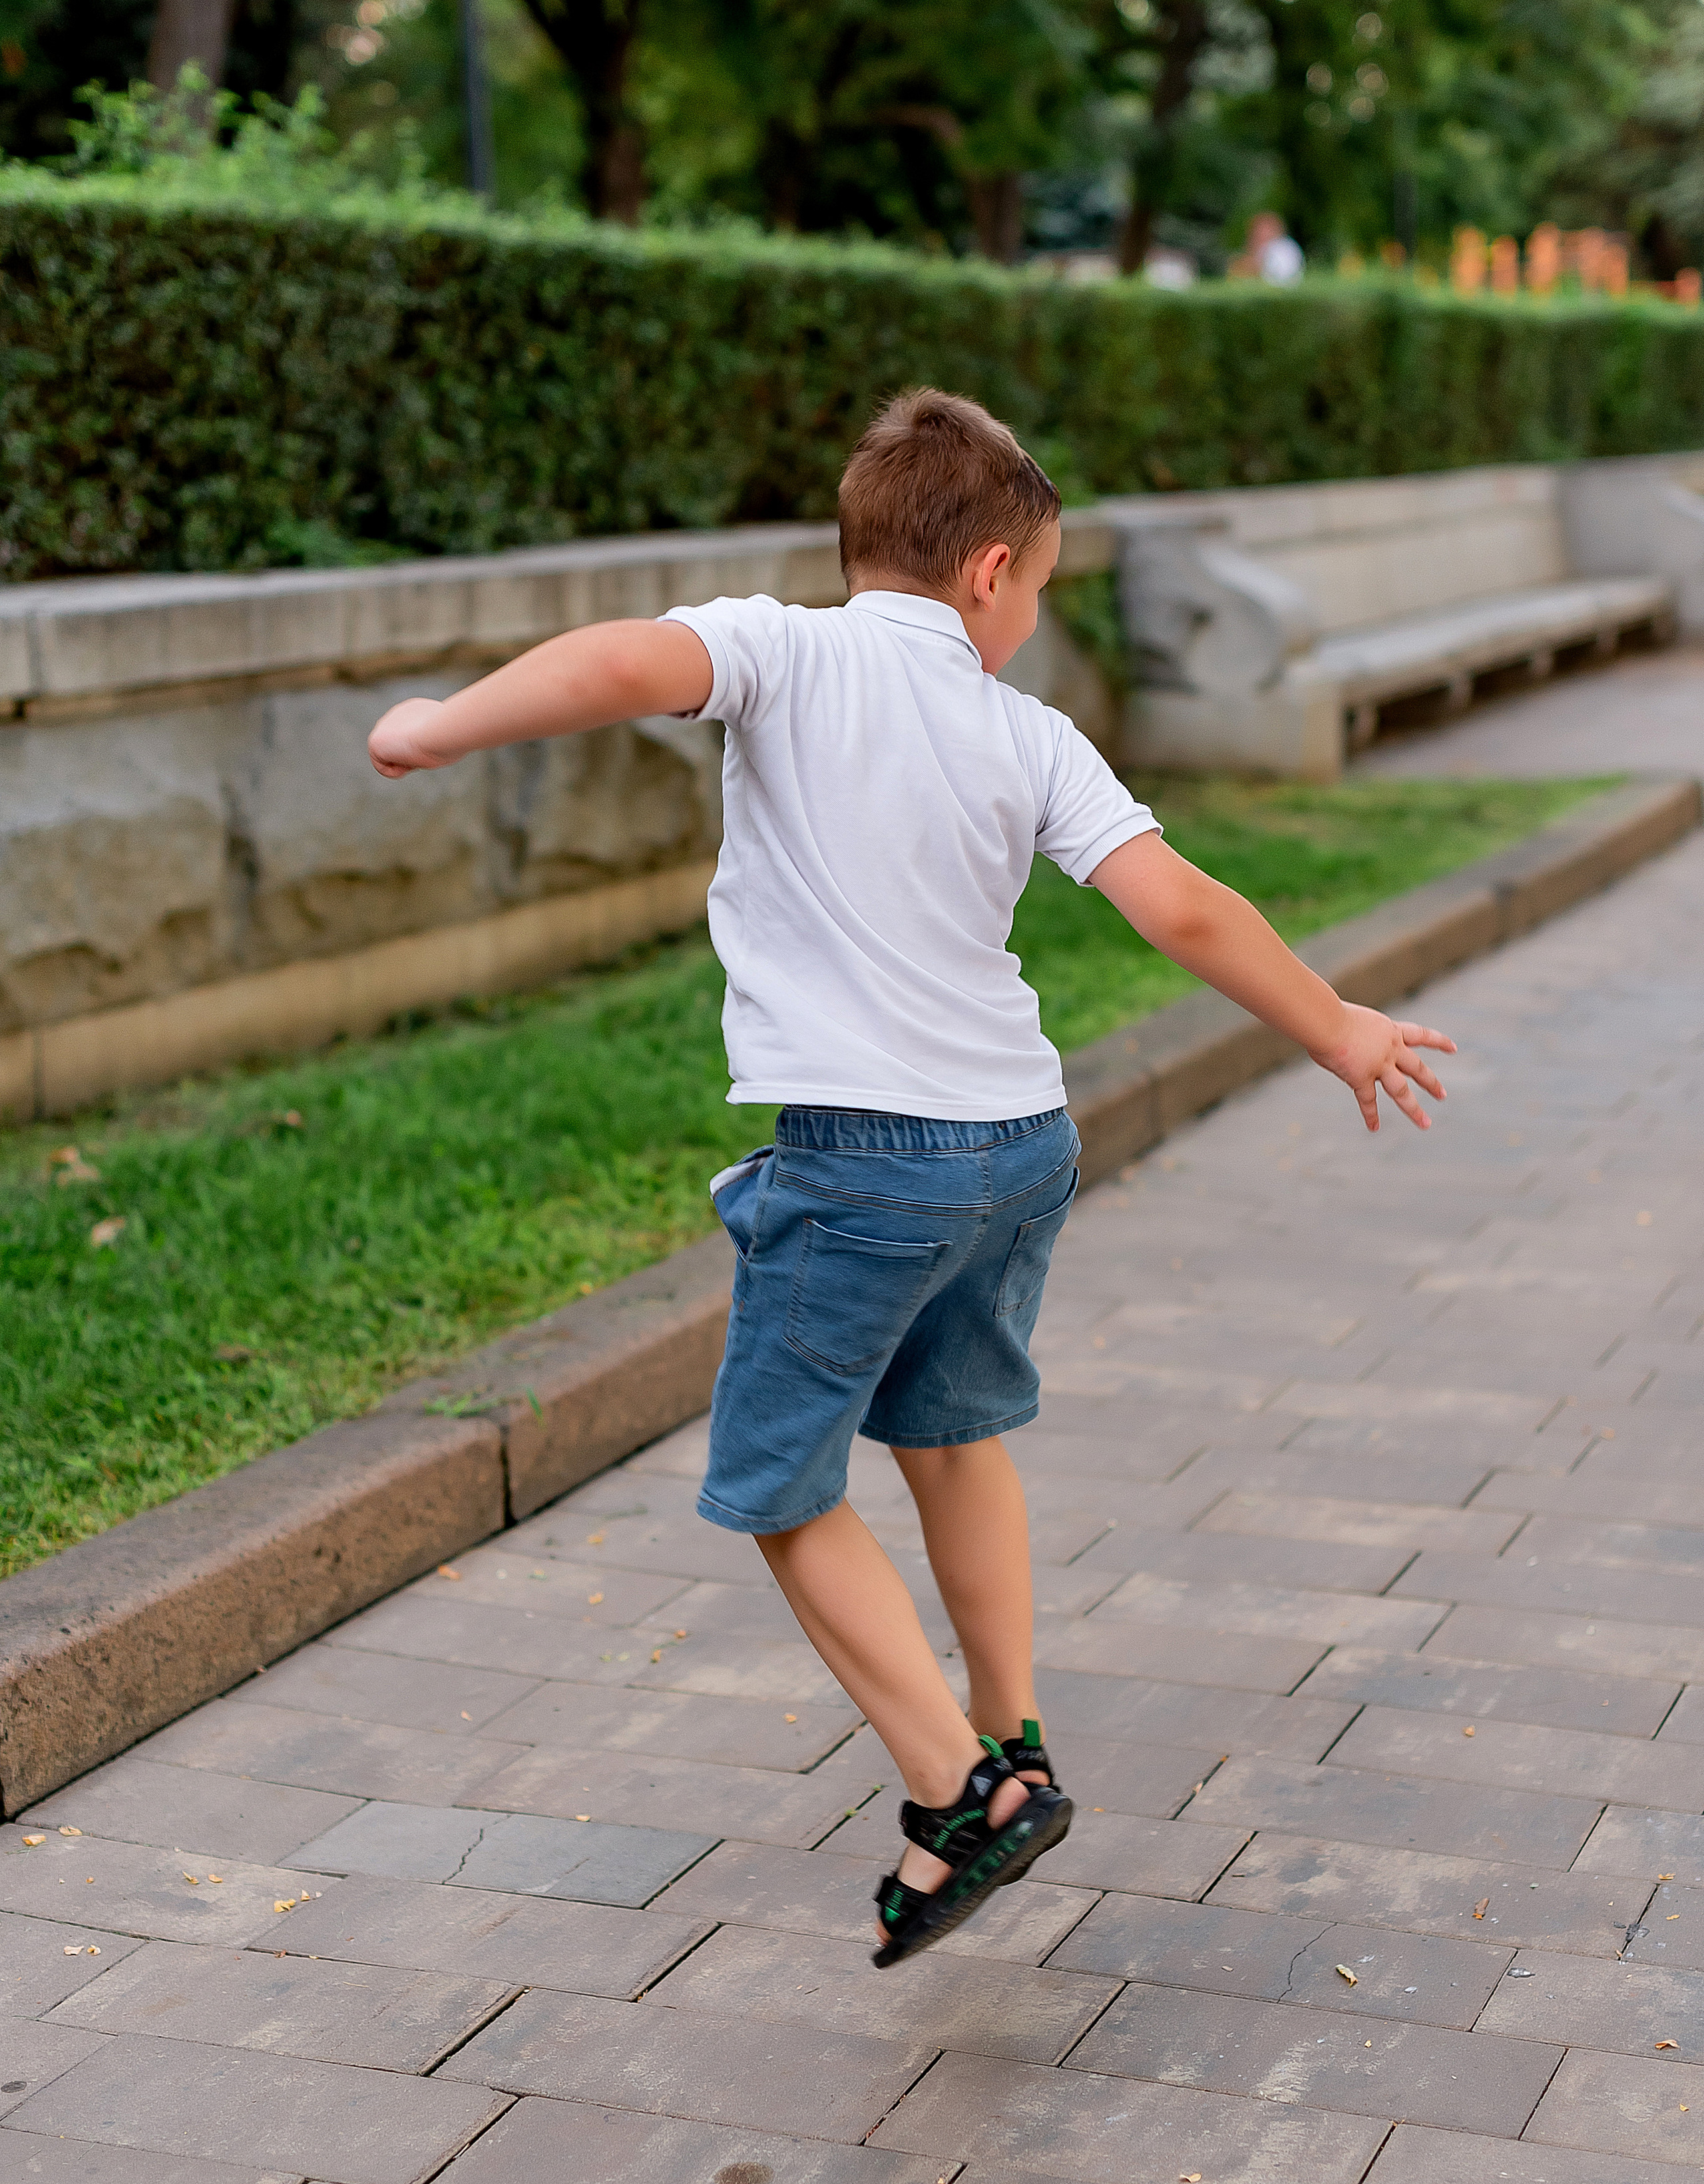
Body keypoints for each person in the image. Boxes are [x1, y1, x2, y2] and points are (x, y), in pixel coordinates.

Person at [366, 390, 1453, 1965]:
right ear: (987, 572)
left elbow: (614, 663)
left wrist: (440, 722)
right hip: (1020, 1143)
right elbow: (1184, 909)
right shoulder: (1029, 733)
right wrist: (1333, 1026)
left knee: (778, 1486)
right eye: (1039, 592)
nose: (1031, 621)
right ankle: (1012, 1737)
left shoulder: (779, 653)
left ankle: (960, 1791)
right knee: (951, 1436)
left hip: (864, 1162)